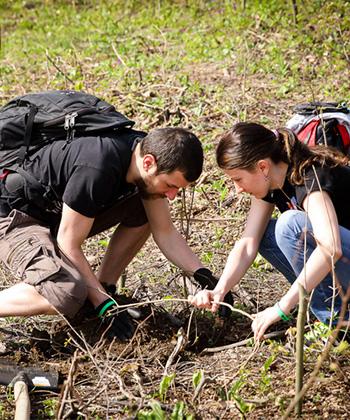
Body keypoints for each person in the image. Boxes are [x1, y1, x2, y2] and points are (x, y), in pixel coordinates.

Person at [0, 126, 232, 341]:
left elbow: (165, 230)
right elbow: (68, 242)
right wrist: (103, 305)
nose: (172, 195)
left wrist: (203, 275)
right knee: (66, 292)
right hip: (15, 216)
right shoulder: (97, 166)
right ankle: (98, 298)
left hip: (54, 212)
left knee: (145, 209)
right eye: (171, 185)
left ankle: (104, 287)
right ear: (149, 163)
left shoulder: (144, 155)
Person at [189, 122, 350, 341]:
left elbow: (331, 247)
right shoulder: (272, 183)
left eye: (238, 179)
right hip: (341, 270)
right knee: (266, 233)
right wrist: (220, 290)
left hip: (341, 254)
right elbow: (248, 243)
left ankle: (338, 323)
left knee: (290, 225)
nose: (237, 189)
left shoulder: (310, 175)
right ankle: (322, 304)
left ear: (263, 167)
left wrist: (281, 307)